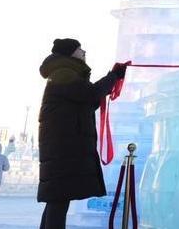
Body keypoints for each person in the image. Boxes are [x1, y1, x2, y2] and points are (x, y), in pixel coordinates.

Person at [38, 38, 126, 229]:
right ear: (70, 53)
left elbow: (85, 101)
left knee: (57, 199)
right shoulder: (64, 73)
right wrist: (113, 77)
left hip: (62, 147)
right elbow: (90, 95)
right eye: (80, 49)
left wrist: (112, 78)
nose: (84, 52)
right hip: (63, 149)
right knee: (59, 199)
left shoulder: (64, 74)